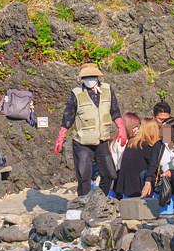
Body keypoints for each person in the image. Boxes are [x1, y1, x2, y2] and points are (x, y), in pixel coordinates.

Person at [55, 63, 127, 197]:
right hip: (82, 142)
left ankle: (99, 199)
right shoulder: (76, 93)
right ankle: (84, 203)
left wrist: (121, 128)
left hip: (102, 141)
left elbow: (115, 111)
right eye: (86, 77)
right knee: (84, 177)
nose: (89, 79)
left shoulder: (107, 90)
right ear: (82, 78)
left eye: (92, 76)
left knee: (109, 174)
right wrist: (61, 136)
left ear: (97, 77)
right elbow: (68, 116)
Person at [114, 118, 164, 198]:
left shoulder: (131, 143)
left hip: (125, 188)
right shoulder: (147, 147)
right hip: (140, 188)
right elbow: (155, 167)